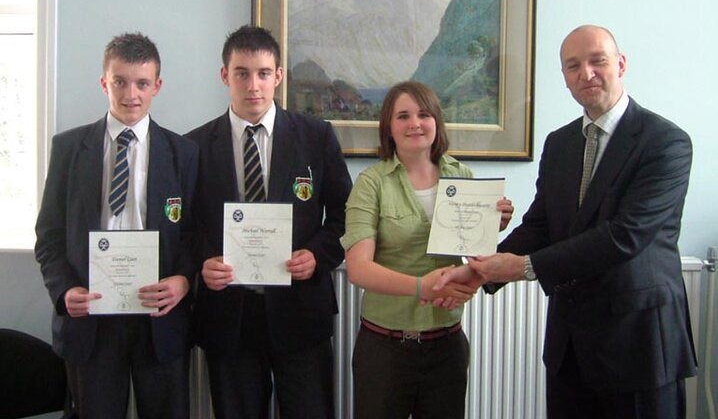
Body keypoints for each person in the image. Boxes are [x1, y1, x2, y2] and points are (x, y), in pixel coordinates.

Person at [436, 25, 697, 419]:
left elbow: (624, 237)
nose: (585, 73)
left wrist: (524, 267)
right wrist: (482, 272)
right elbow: (541, 225)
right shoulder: (559, 144)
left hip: (638, 344)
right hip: (570, 346)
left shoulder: (665, 142)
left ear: (621, 64)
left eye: (597, 61)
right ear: (564, 77)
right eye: (573, 66)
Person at [186, 25, 352, 419]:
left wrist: (318, 254)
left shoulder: (317, 137)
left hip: (301, 311)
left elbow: (348, 214)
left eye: (263, 73)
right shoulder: (192, 146)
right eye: (242, 73)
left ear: (278, 76)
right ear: (225, 76)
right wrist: (203, 260)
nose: (253, 85)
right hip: (229, 316)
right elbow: (186, 226)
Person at [35, 32, 198, 418]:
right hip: (91, 318)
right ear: (104, 82)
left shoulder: (184, 153)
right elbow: (49, 237)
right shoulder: (69, 149)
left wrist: (184, 280)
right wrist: (64, 291)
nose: (130, 94)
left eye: (142, 83)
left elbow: (196, 234)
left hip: (158, 317)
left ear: (157, 86)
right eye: (120, 81)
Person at [340, 81, 513, 419]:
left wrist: (495, 225)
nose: (415, 123)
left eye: (423, 114)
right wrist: (423, 287)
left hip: (446, 346)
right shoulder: (370, 183)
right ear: (389, 128)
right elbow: (359, 268)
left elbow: (474, 255)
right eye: (403, 116)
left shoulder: (461, 175)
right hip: (385, 350)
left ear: (437, 121)